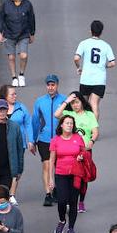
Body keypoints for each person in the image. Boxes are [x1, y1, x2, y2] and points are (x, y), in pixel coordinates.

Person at [53, 90, 98, 213]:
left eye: (77, 102)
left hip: (85, 150)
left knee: (83, 177)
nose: (75, 105)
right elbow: (57, 115)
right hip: (70, 150)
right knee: (71, 177)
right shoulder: (68, 114)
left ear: (82, 102)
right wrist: (66, 101)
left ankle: (81, 201)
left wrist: (92, 141)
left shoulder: (89, 115)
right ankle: (70, 200)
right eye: (73, 103)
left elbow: (95, 131)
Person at [47, 114, 86, 233]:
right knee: (62, 200)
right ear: (62, 125)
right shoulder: (56, 140)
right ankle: (62, 220)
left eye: (71, 123)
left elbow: (84, 153)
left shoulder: (78, 138)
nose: (69, 125)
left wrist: (81, 156)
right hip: (61, 174)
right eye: (67, 123)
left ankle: (71, 228)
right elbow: (51, 161)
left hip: (76, 174)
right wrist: (51, 179)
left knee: (73, 201)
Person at [32, 74, 68, 206]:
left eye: (53, 85)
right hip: (44, 139)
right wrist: (32, 140)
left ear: (57, 85)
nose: (51, 87)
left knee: (59, 166)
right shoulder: (40, 101)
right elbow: (35, 121)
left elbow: (71, 119)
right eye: (49, 85)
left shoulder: (64, 100)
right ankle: (48, 194)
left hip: (61, 139)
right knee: (46, 165)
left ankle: (57, 189)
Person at [73, 20, 116, 120]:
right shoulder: (106, 46)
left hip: (86, 78)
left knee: (83, 104)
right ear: (101, 32)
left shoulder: (84, 43)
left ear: (90, 31)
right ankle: (94, 129)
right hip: (99, 79)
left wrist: (79, 67)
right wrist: (105, 66)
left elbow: (76, 58)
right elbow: (113, 63)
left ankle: (83, 127)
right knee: (94, 104)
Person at [0, 0, 36, 87]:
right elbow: (1, 18)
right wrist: (0, 32)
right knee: (11, 57)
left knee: (23, 55)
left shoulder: (27, 4)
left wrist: (32, 33)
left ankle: (21, 75)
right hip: (9, 33)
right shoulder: (6, 4)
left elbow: (31, 19)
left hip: (23, 33)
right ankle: (14, 77)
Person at [0, 83, 31, 154]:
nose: (15, 96)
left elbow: (28, 124)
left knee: (17, 164)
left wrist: (31, 141)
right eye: (12, 94)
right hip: (0, 144)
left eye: (15, 94)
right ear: (5, 96)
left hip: (19, 144)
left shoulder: (21, 108)